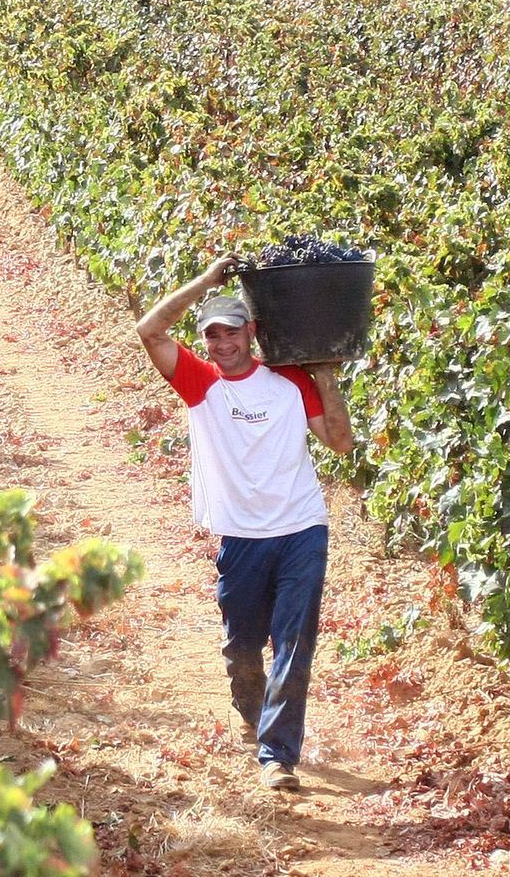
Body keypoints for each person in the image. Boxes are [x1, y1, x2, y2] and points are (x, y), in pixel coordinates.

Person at [135, 255, 354, 792]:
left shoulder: (288, 381)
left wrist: (326, 378)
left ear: (251, 332)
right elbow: (149, 329)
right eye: (212, 336)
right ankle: (254, 712)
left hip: (302, 528)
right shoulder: (200, 383)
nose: (221, 344)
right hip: (242, 537)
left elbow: (341, 443)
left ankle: (277, 755)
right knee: (242, 646)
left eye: (230, 333)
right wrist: (205, 281)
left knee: (293, 642)